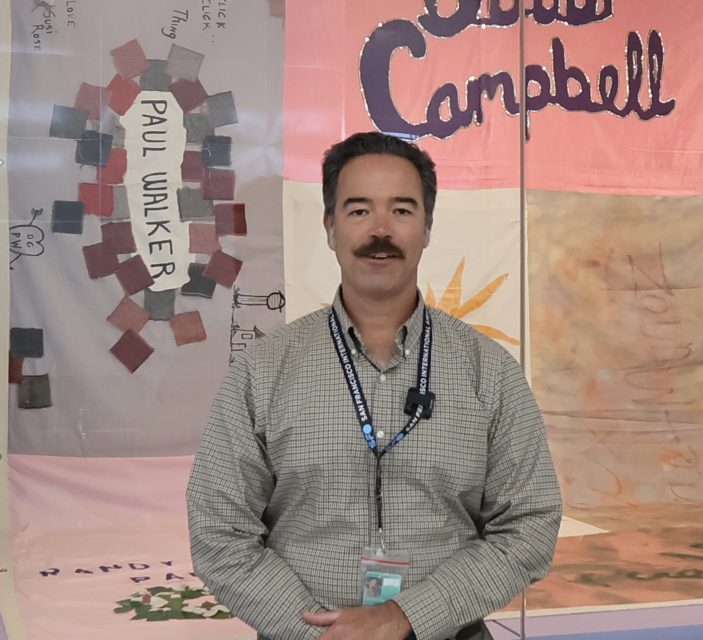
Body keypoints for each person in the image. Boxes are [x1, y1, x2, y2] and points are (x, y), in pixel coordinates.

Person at [186, 131, 562, 640]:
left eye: (402, 211)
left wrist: (405, 617)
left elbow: (529, 525)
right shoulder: (264, 371)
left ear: (427, 226)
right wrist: (324, 634)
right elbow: (219, 531)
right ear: (329, 225)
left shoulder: (488, 371)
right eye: (359, 210)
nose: (379, 231)